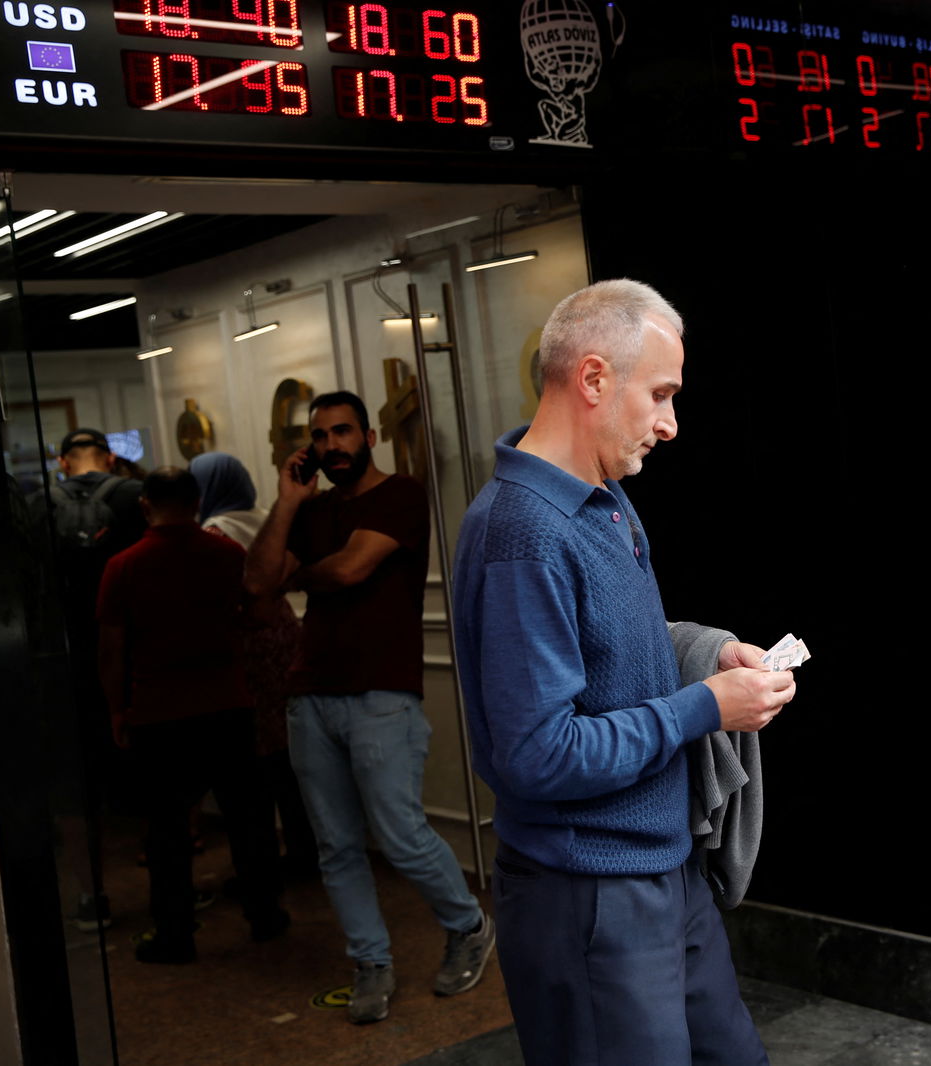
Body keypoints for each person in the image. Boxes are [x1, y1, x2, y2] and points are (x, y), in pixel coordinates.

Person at [452, 279, 797, 1065]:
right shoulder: (521, 534)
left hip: (663, 874)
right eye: (662, 395)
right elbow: (538, 755)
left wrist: (709, 653)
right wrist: (705, 707)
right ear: (595, 379)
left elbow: (615, 642)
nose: (671, 424)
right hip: (586, 898)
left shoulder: (603, 496)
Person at [243, 390, 493, 1025]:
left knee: (401, 834)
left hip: (382, 693)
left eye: (343, 432)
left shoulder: (402, 495)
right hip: (309, 696)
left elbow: (352, 570)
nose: (332, 446)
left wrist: (295, 578)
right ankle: (371, 963)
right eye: (321, 436)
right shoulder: (311, 508)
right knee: (336, 846)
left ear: (368, 436)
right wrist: (288, 501)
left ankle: (468, 925)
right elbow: (255, 584)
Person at [96, 467, 289, 963]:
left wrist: (118, 708)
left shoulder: (123, 566)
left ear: (145, 506)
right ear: (197, 501)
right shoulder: (224, 554)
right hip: (227, 703)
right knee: (249, 821)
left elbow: (112, 649)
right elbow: (256, 613)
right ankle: (265, 916)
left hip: (159, 712)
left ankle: (175, 935)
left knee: (167, 832)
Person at [32, 428, 146, 933]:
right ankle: (166, 893)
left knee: (73, 791)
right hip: (128, 657)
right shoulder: (129, 495)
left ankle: (89, 896)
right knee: (148, 779)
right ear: (110, 457)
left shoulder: (39, 505)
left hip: (60, 662)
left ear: (62, 462)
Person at [191, 452, 318, 882]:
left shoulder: (213, 531)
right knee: (290, 756)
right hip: (285, 636)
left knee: (259, 763)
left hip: (248, 649)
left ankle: (266, 862)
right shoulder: (265, 517)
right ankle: (305, 850)